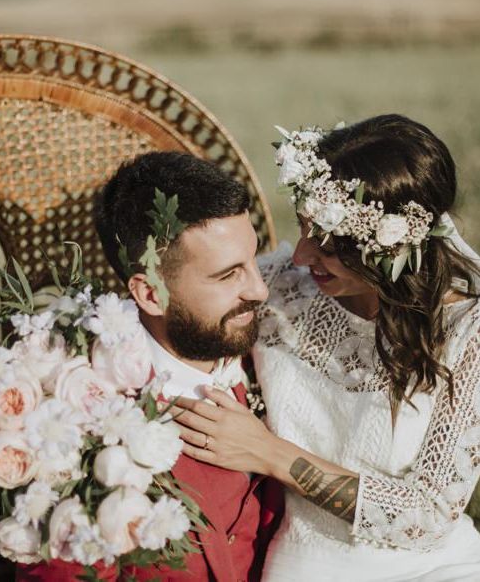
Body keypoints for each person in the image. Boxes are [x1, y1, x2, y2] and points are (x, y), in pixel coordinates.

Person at [172, 115, 480, 581]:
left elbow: (428, 515)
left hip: (436, 569)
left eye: (330, 245)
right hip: (306, 566)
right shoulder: (280, 289)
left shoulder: (466, 332)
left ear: (390, 246)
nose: (301, 256)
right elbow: (180, 308)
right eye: (303, 228)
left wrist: (268, 453)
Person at [17, 151, 283, 582]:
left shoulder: (273, 355)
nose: (260, 289)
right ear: (150, 295)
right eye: (228, 275)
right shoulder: (78, 425)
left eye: (254, 260)